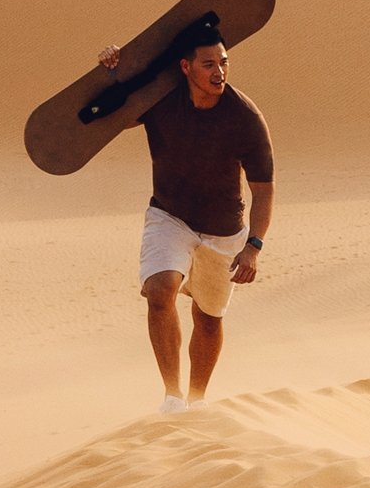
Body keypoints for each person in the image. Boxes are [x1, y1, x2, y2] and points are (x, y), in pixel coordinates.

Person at [107, 24, 274, 412]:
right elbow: (116, 114)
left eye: (224, 63)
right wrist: (115, 72)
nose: (219, 72)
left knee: (209, 317)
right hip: (170, 215)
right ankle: (172, 396)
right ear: (185, 67)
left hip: (224, 231)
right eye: (208, 64)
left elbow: (263, 189)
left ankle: (198, 399)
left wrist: (254, 245)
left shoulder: (244, 118)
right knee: (160, 291)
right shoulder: (163, 102)